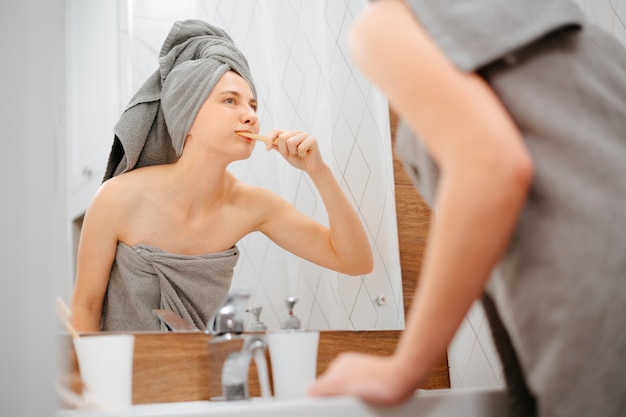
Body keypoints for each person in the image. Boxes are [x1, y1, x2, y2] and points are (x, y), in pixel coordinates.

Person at [309, 1, 626, 416]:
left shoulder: (388, 21)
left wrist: (402, 370)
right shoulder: (582, 36)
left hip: (594, 301)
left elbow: (490, 169)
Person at [70, 20, 373, 333]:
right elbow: (85, 306)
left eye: (253, 105)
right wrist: (95, 380)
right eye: (230, 101)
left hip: (201, 376)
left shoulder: (252, 205)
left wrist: (319, 172)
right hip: (122, 377)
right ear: (186, 116)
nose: (251, 115)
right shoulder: (117, 198)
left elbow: (355, 262)